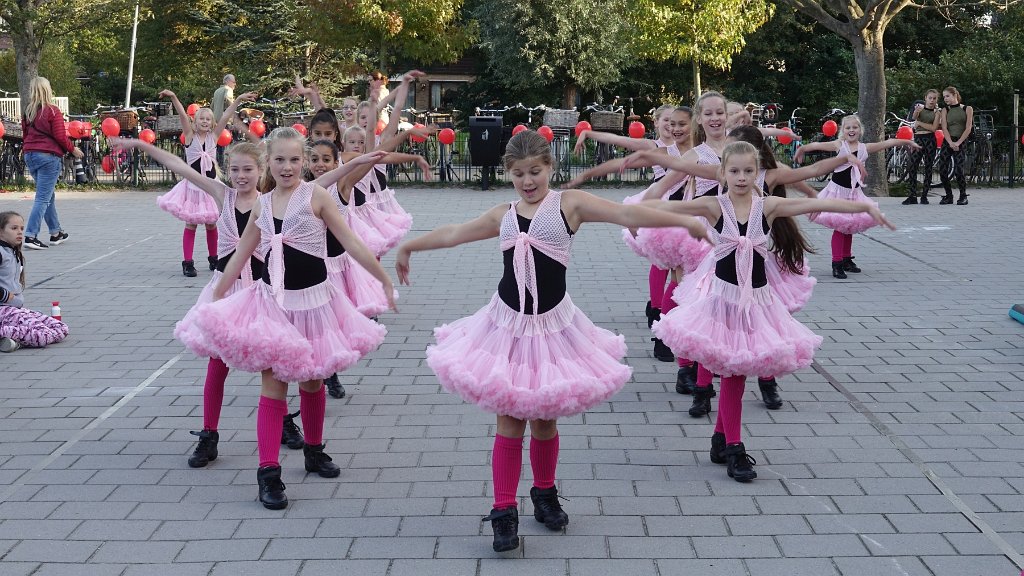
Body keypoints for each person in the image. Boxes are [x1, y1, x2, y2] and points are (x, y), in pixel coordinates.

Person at [395, 129, 708, 552]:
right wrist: (410, 246)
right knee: (509, 417)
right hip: (506, 326)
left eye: (536, 172)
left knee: (544, 417)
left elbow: (628, 215)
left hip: (554, 327)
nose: (528, 181)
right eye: (520, 174)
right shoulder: (503, 214)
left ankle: (544, 493)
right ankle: (503, 510)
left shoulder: (569, 205)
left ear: (551, 167)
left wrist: (684, 220)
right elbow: (454, 232)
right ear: (509, 174)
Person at [652, 141, 893, 482]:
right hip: (722, 303)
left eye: (749, 171)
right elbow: (662, 211)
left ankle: (721, 440)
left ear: (759, 173)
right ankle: (733, 447)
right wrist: (627, 218)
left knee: (739, 372)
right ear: (722, 173)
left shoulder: (768, 207)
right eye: (734, 171)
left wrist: (865, 209)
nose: (741, 177)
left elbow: (816, 201)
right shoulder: (712, 205)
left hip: (758, 305)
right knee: (734, 374)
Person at [184, 127, 396, 510]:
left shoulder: (315, 197)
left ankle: (314, 450)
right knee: (274, 386)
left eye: (295, 160)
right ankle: (269, 473)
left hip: (315, 303)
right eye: (279, 160)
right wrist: (214, 300)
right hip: (273, 305)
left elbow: (350, 241)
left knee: (313, 381)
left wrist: (382, 278)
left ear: (304, 163)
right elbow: (238, 257)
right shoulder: (263, 205)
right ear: (269, 163)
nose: (287, 167)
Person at [795, 114, 919, 279]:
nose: (851, 130)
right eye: (848, 128)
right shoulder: (839, 145)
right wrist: (802, 148)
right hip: (837, 193)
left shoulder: (864, 148)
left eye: (855, 127)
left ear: (860, 130)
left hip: (854, 194)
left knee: (850, 226)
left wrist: (907, 142)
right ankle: (836, 263)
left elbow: (887, 143)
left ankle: (846, 258)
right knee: (840, 227)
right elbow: (818, 144)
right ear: (842, 131)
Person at [157, 88, 257, 277]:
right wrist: (174, 96)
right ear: (195, 121)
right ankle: (187, 262)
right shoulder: (189, 136)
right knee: (191, 224)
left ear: (212, 123)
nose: (204, 121)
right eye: (201, 118)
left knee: (212, 224)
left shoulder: (213, 137)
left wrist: (239, 100)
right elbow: (181, 115)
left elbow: (227, 115)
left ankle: (214, 258)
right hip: (193, 187)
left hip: (211, 187)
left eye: (208, 119)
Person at [20, 76, 83, 250]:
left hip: (30, 155)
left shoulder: (28, 111)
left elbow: (25, 135)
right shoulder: (52, 111)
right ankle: (30, 236)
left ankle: (56, 232)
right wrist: (73, 149)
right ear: (47, 90)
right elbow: (60, 136)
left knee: (48, 196)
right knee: (42, 198)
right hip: (48, 157)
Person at [0, 211, 69, 351]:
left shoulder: (12, 252)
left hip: (14, 309)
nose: (19, 232)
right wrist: (5, 295)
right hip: (3, 310)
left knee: (60, 328)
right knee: (42, 336)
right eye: (14, 228)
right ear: (1, 232)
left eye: (21, 228)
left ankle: (13, 341)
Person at [937, 86, 973, 205]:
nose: (945, 99)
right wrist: (950, 142)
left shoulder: (967, 109)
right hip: (948, 141)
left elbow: (968, 128)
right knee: (942, 169)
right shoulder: (945, 110)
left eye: (947, 96)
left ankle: (963, 196)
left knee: (958, 170)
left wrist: (958, 142)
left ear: (954, 95)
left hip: (961, 141)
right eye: (944, 97)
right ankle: (948, 195)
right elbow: (944, 128)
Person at [903, 90, 940, 205]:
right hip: (919, 139)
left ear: (937, 100)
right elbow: (914, 118)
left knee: (928, 168)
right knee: (913, 166)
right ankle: (912, 195)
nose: (932, 100)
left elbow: (934, 128)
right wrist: (916, 112)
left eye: (934, 98)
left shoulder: (937, 112)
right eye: (930, 98)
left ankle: (924, 196)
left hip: (930, 139)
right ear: (926, 98)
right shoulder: (920, 108)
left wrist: (920, 124)